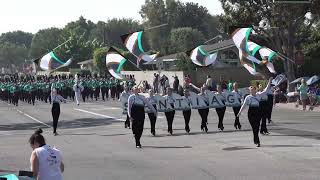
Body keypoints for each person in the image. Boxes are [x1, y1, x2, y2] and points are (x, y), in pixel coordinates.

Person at [237, 77, 273, 147]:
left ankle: (257, 141)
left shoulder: (259, 95)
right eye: (251, 90)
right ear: (250, 91)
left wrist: (269, 81)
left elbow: (266, 90)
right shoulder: (248, 97)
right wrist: (239, 112)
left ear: (255, 90)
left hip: (257, 111)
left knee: (257, 126)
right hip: (251, 112)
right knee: (254, 127)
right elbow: (244, 105)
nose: (252, 91)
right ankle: (256, 140)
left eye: (253, 89)